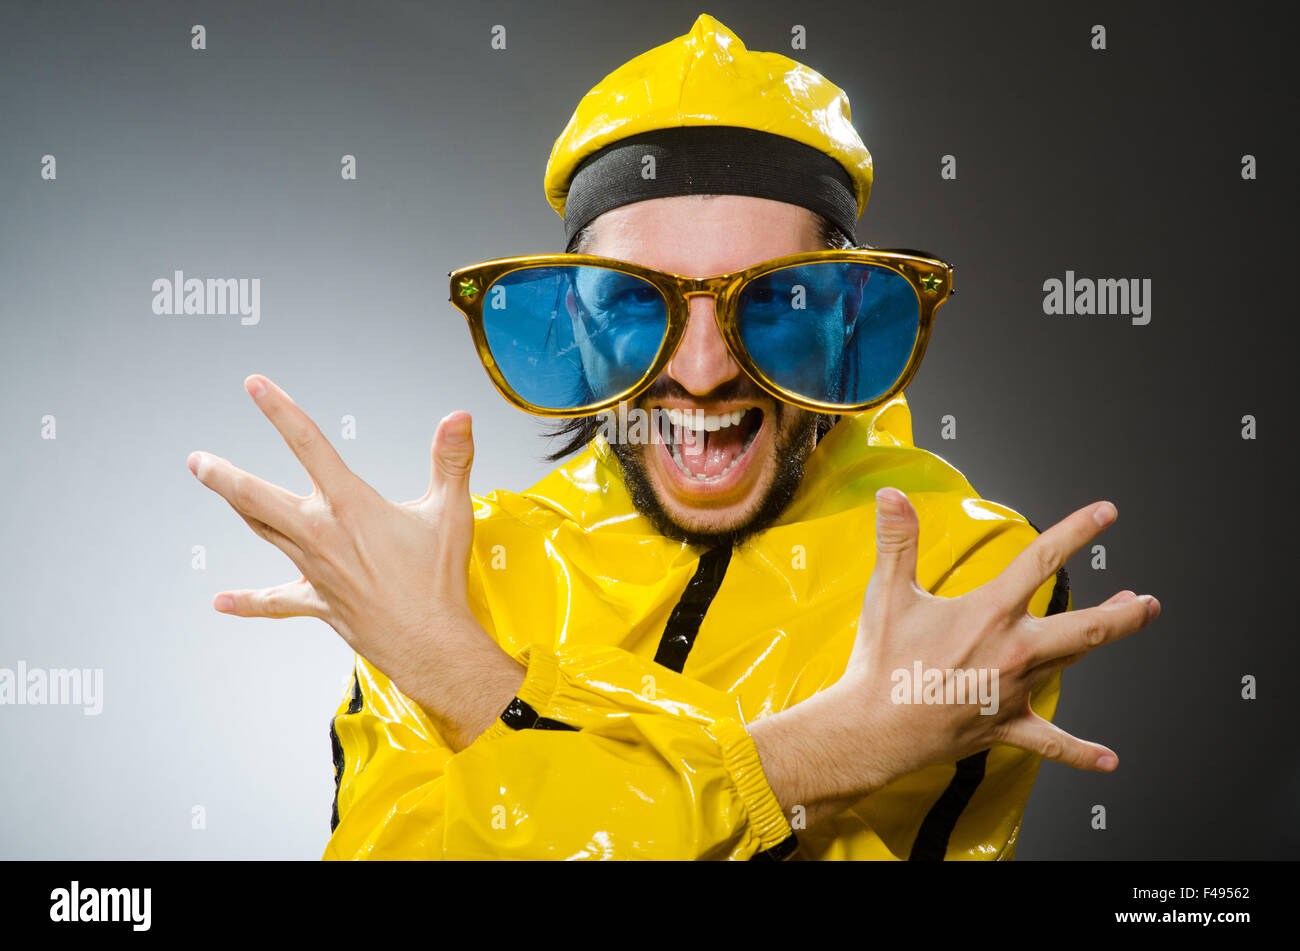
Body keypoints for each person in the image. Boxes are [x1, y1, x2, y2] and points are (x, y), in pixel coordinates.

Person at [187, 14, 1159, 860]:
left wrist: (461, 677)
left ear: (844, 320)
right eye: (633, 301)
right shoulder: (452, 563)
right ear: (573, 326)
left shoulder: (960, 570)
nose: (700, 369)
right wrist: (828, 749)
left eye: (775, 297)